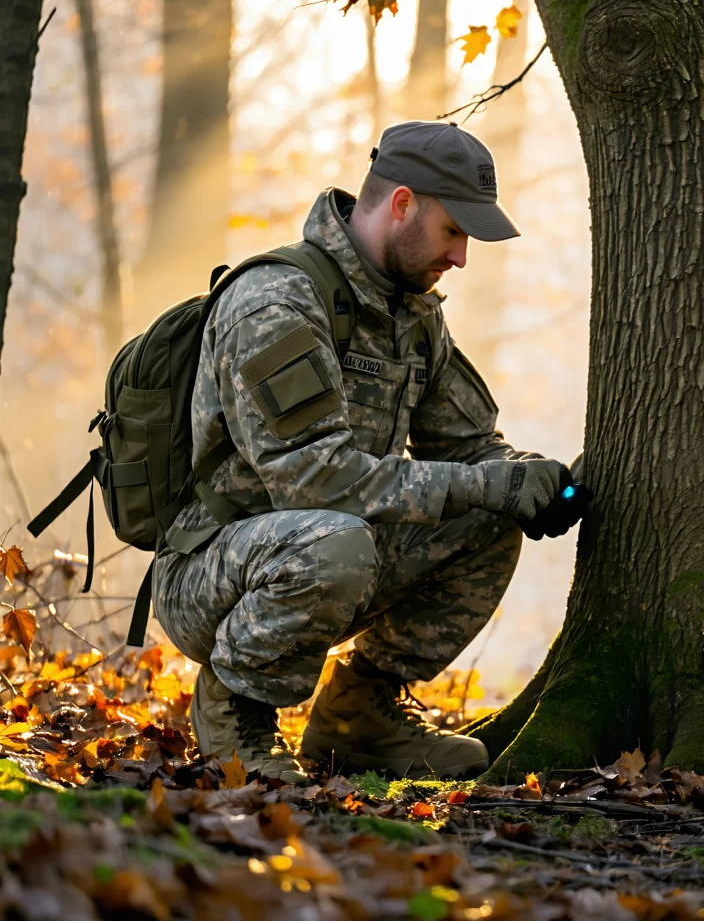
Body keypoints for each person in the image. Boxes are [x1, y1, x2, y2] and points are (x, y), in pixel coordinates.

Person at [152, 120, 584, 783]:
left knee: (487, 515)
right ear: (403, 204)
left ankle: (357, 716)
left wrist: (524, 477)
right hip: (214, 567)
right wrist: (484, 484)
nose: (463, 257)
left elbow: (466, 445)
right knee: (338, 541)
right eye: (454, 231)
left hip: (332, 544)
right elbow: (312, 479)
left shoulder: (413, 314)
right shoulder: (276, 302)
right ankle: (235, 712)